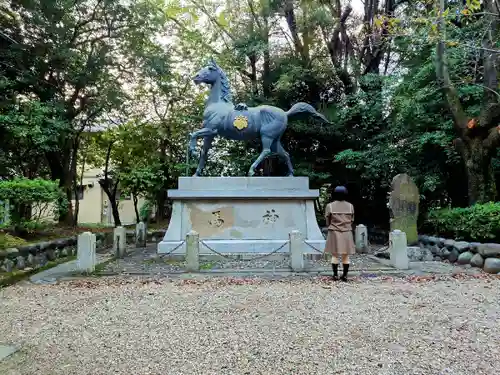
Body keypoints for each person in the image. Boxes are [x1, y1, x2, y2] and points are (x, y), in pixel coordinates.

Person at [324, 186, 355, 281]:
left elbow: (327, 220)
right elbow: (352, 220)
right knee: (346, 255)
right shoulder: (350, 206)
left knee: (335, 255)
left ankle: (335, 275)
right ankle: (345, 275)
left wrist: (331, 225)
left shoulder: (330, 206)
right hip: (347, 232)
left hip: (334, 231)